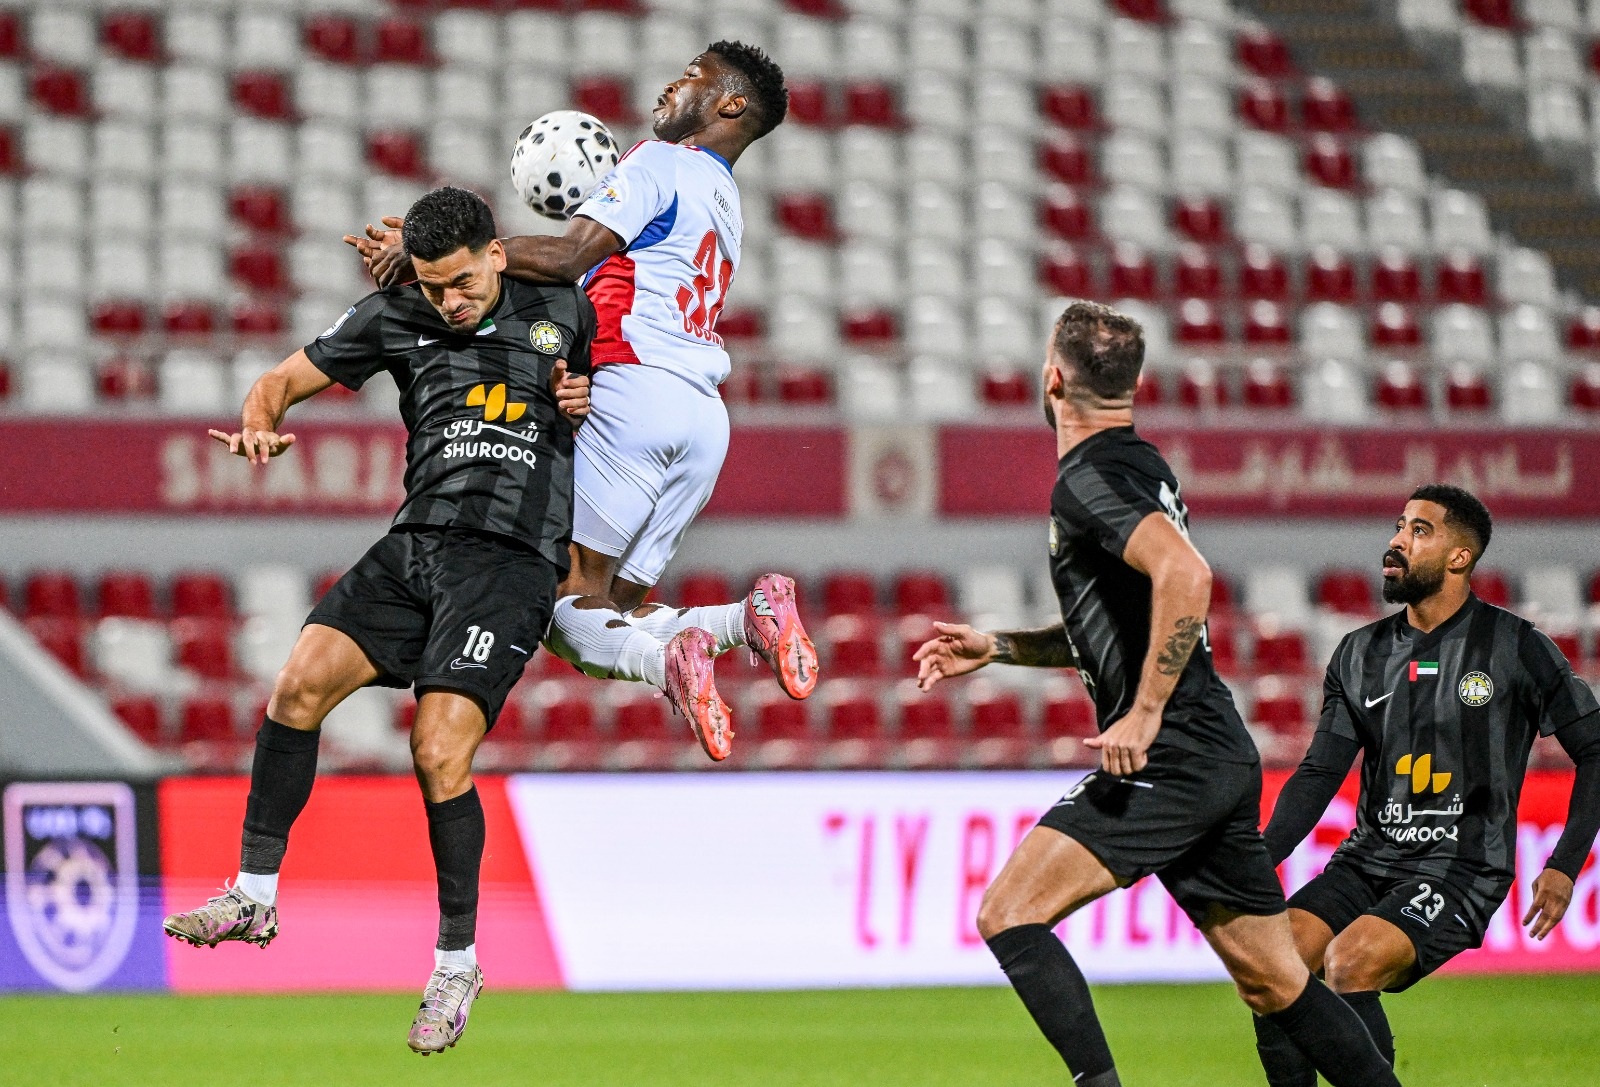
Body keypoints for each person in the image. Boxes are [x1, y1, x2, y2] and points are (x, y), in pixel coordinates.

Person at [911, 301, 1402, 1087]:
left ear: (1052, 379)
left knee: (1008, 912)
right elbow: (1118, 620)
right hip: (1214, 752)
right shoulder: (1142, 466)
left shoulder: (1090, 477)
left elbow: (1187, 576)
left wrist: (1141, 713)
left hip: (1169, 755)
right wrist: (999, 645)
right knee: (1276, 982)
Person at [162, 187, 599, 1055]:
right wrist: (259, 422)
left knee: (438, 747)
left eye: (464, 282)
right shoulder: (397, 314)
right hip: (416, 543)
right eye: (436, 287)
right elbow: (281, 379)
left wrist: (582, 400)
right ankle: (252, 893)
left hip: (508, 560)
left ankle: (456, 960)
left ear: (498, 254)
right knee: (298, 682)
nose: (452, 301)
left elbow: (615, 402)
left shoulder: (564, 309)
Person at [348, 42, 817, 762]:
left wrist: (443, 262)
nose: (672, 81)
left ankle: (672, 664)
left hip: (633, 392)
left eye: (693, 75)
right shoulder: (726, 199)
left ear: (729, 104)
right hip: (703, 418)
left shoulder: (658, 162)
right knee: (615, 612)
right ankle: (742, 619)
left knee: (564, 608)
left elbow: (570, 259)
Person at [1250, 484, 1600, 1086]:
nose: (1396, 540)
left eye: (1418, 530)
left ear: (1459, 557)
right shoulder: (1359, 653)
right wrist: (1256, 860)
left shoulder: (1516, 647)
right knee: (1269, 969)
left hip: (1461, 866)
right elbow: (1319, 772)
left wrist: (1566, 864)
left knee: (1350, 962)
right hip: (1367, 859)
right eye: (1398, 526)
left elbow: (1594, 751)